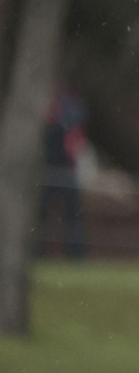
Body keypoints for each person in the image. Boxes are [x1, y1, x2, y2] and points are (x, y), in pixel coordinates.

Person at [37, 88, 88, 259]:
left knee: (71, 216)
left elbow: (74, 146)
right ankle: (42, 251)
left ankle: (75, 253)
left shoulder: (69, 111)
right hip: (52, 172)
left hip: (63, 172)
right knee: (44, 217)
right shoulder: (58, 116)